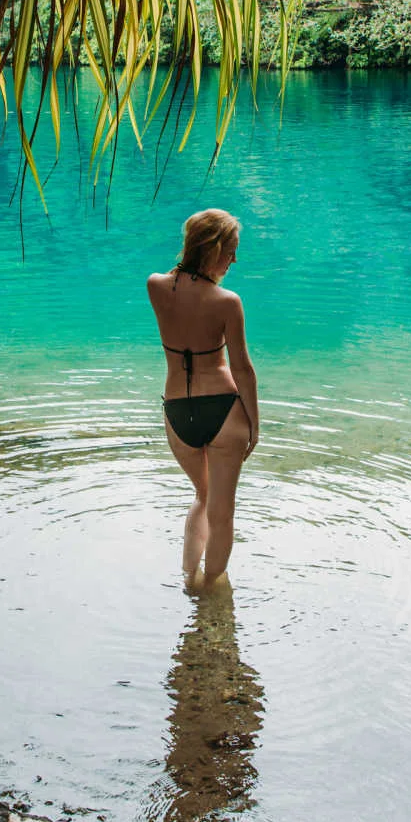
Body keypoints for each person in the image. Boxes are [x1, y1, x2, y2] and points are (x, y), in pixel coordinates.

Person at [147, 208, 259, 593]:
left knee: (202, 495)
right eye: (232, 251)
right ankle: (213, 587)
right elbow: (243, 369)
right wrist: (255, 423)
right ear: (215, 250)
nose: (234, 260)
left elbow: (178, 281)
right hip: (225, 411)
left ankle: (188, 577)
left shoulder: (156, 285)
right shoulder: (227, 301)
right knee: (222, 511)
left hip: (178, 411)